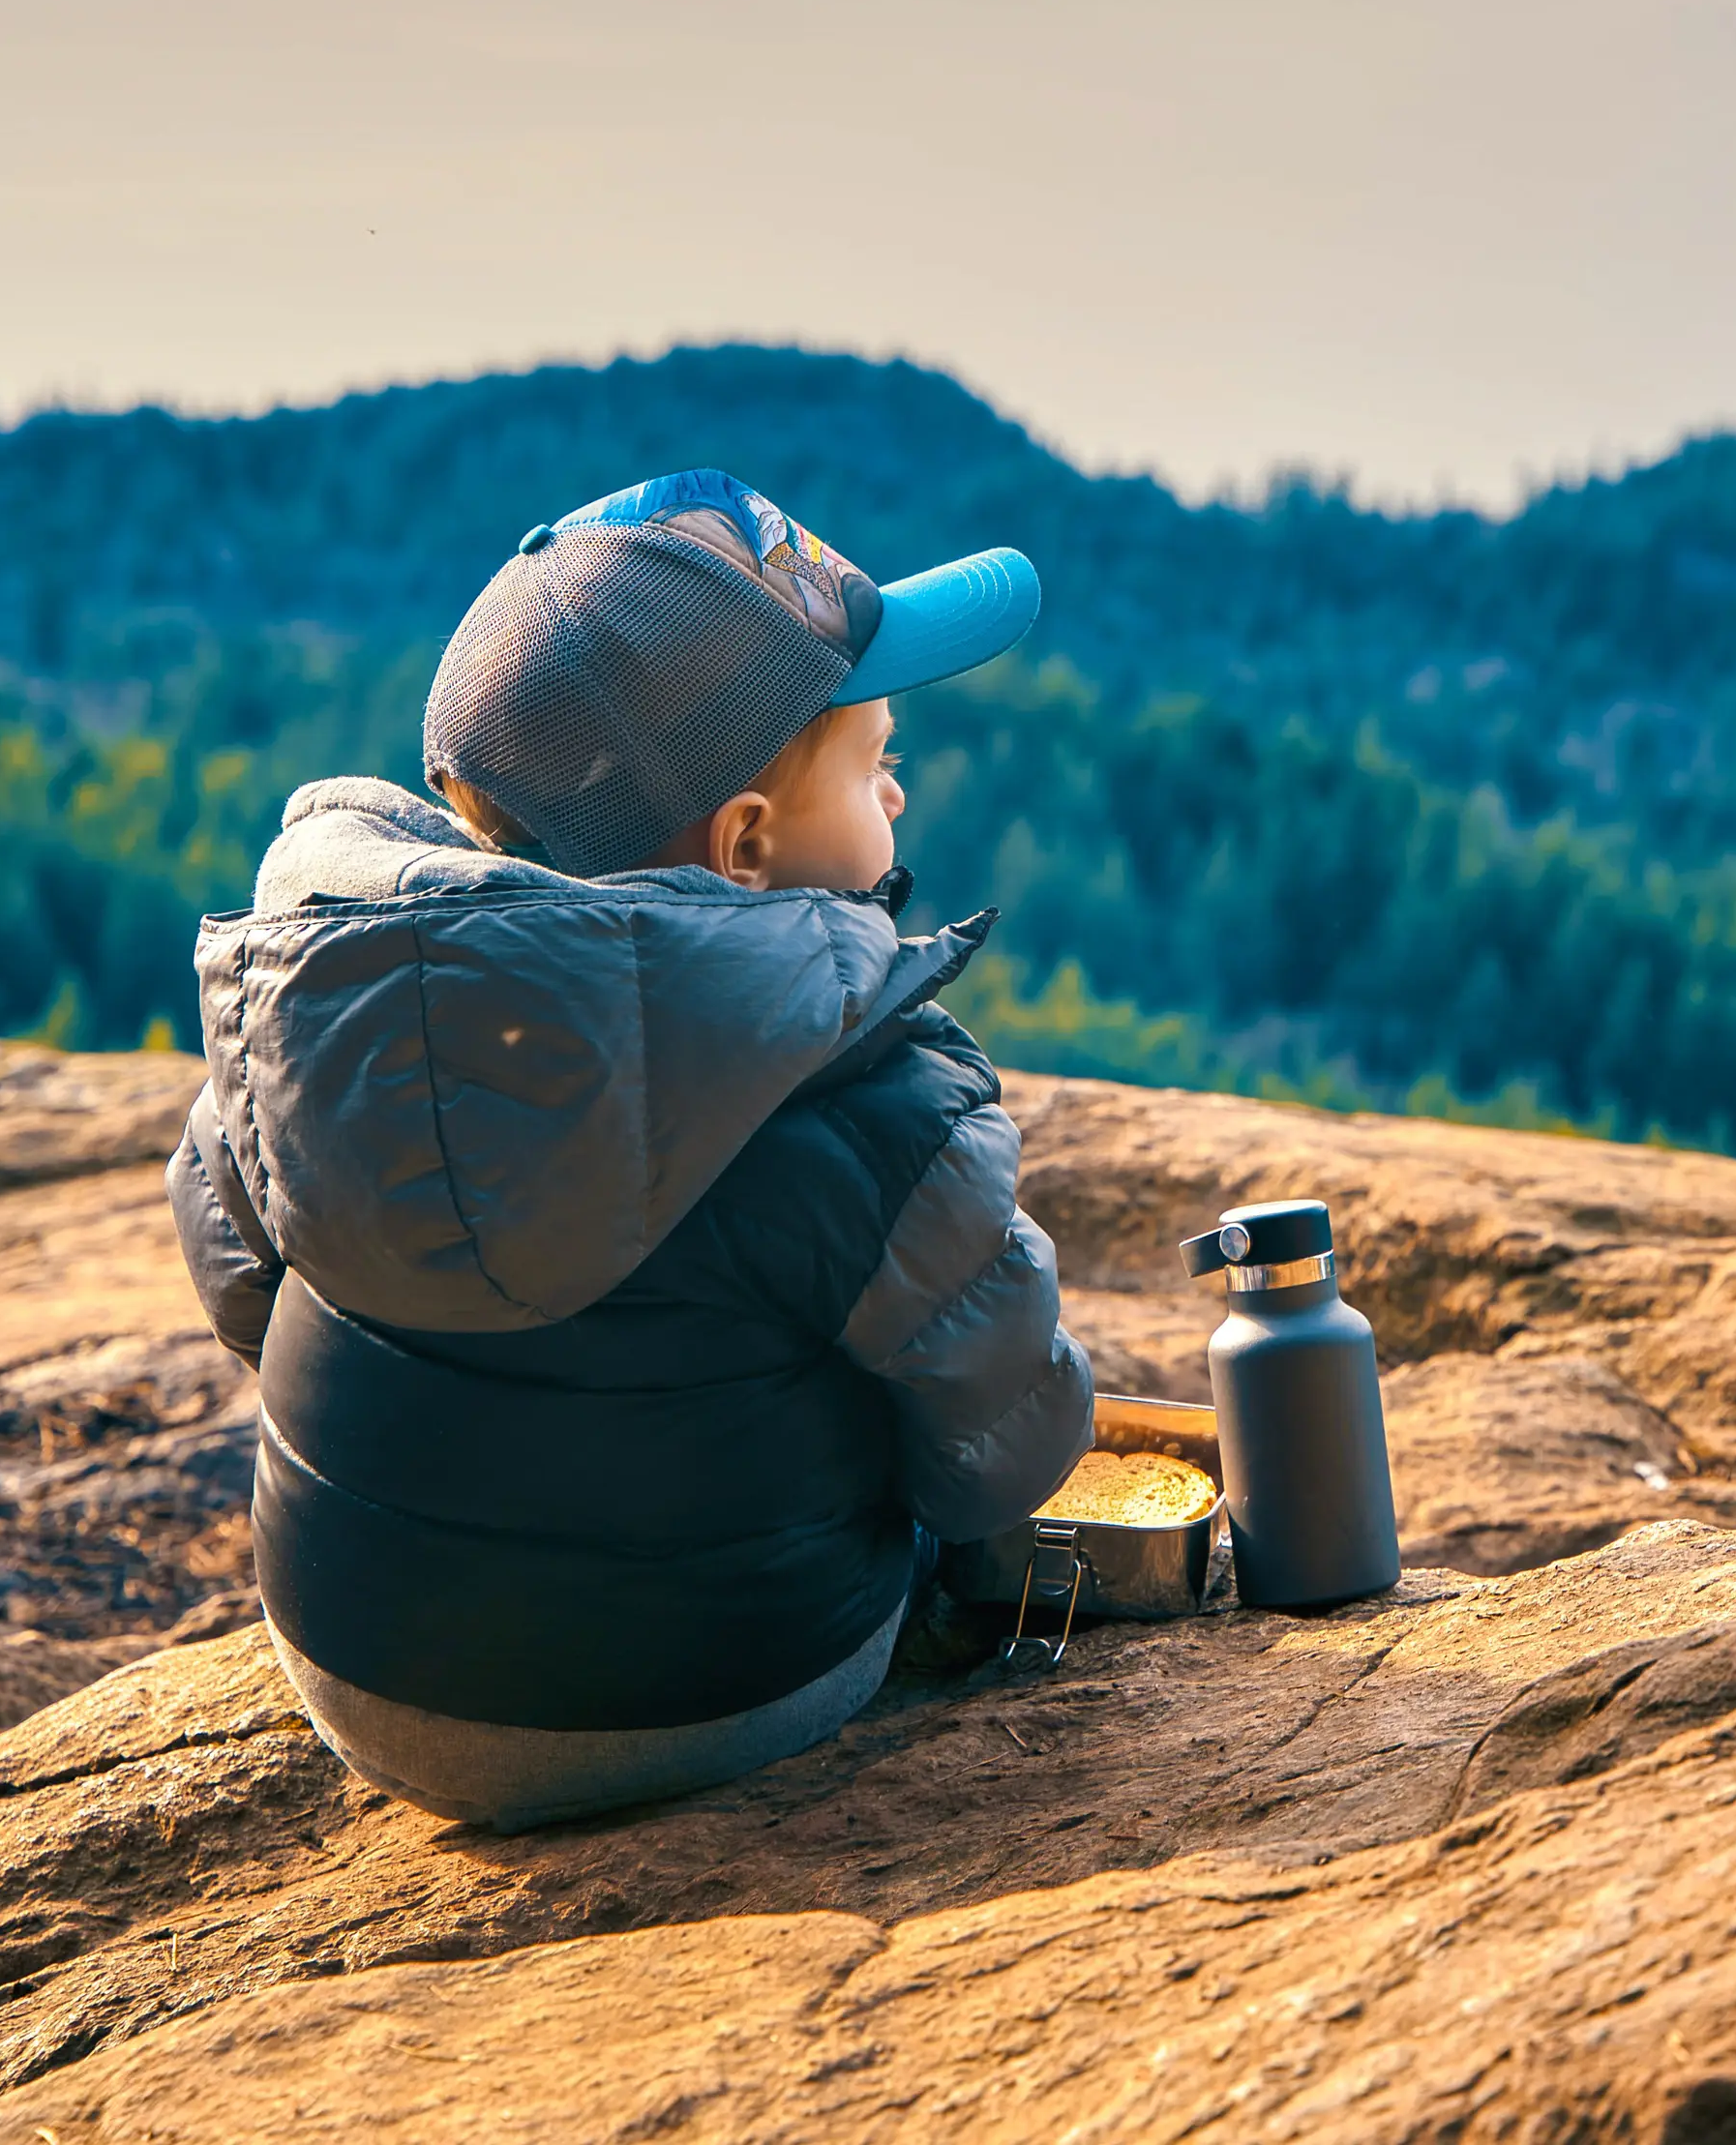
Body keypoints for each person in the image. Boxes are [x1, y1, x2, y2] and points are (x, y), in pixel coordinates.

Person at [164, 469, 1094, 1831]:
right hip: (720, 1690)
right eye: (875, 759)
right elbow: (1002, 1453)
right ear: (748, 845)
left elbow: (241, 1284)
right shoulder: (870, 1092)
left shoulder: (330, 1015)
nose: (900, 789)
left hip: (351, 1666)